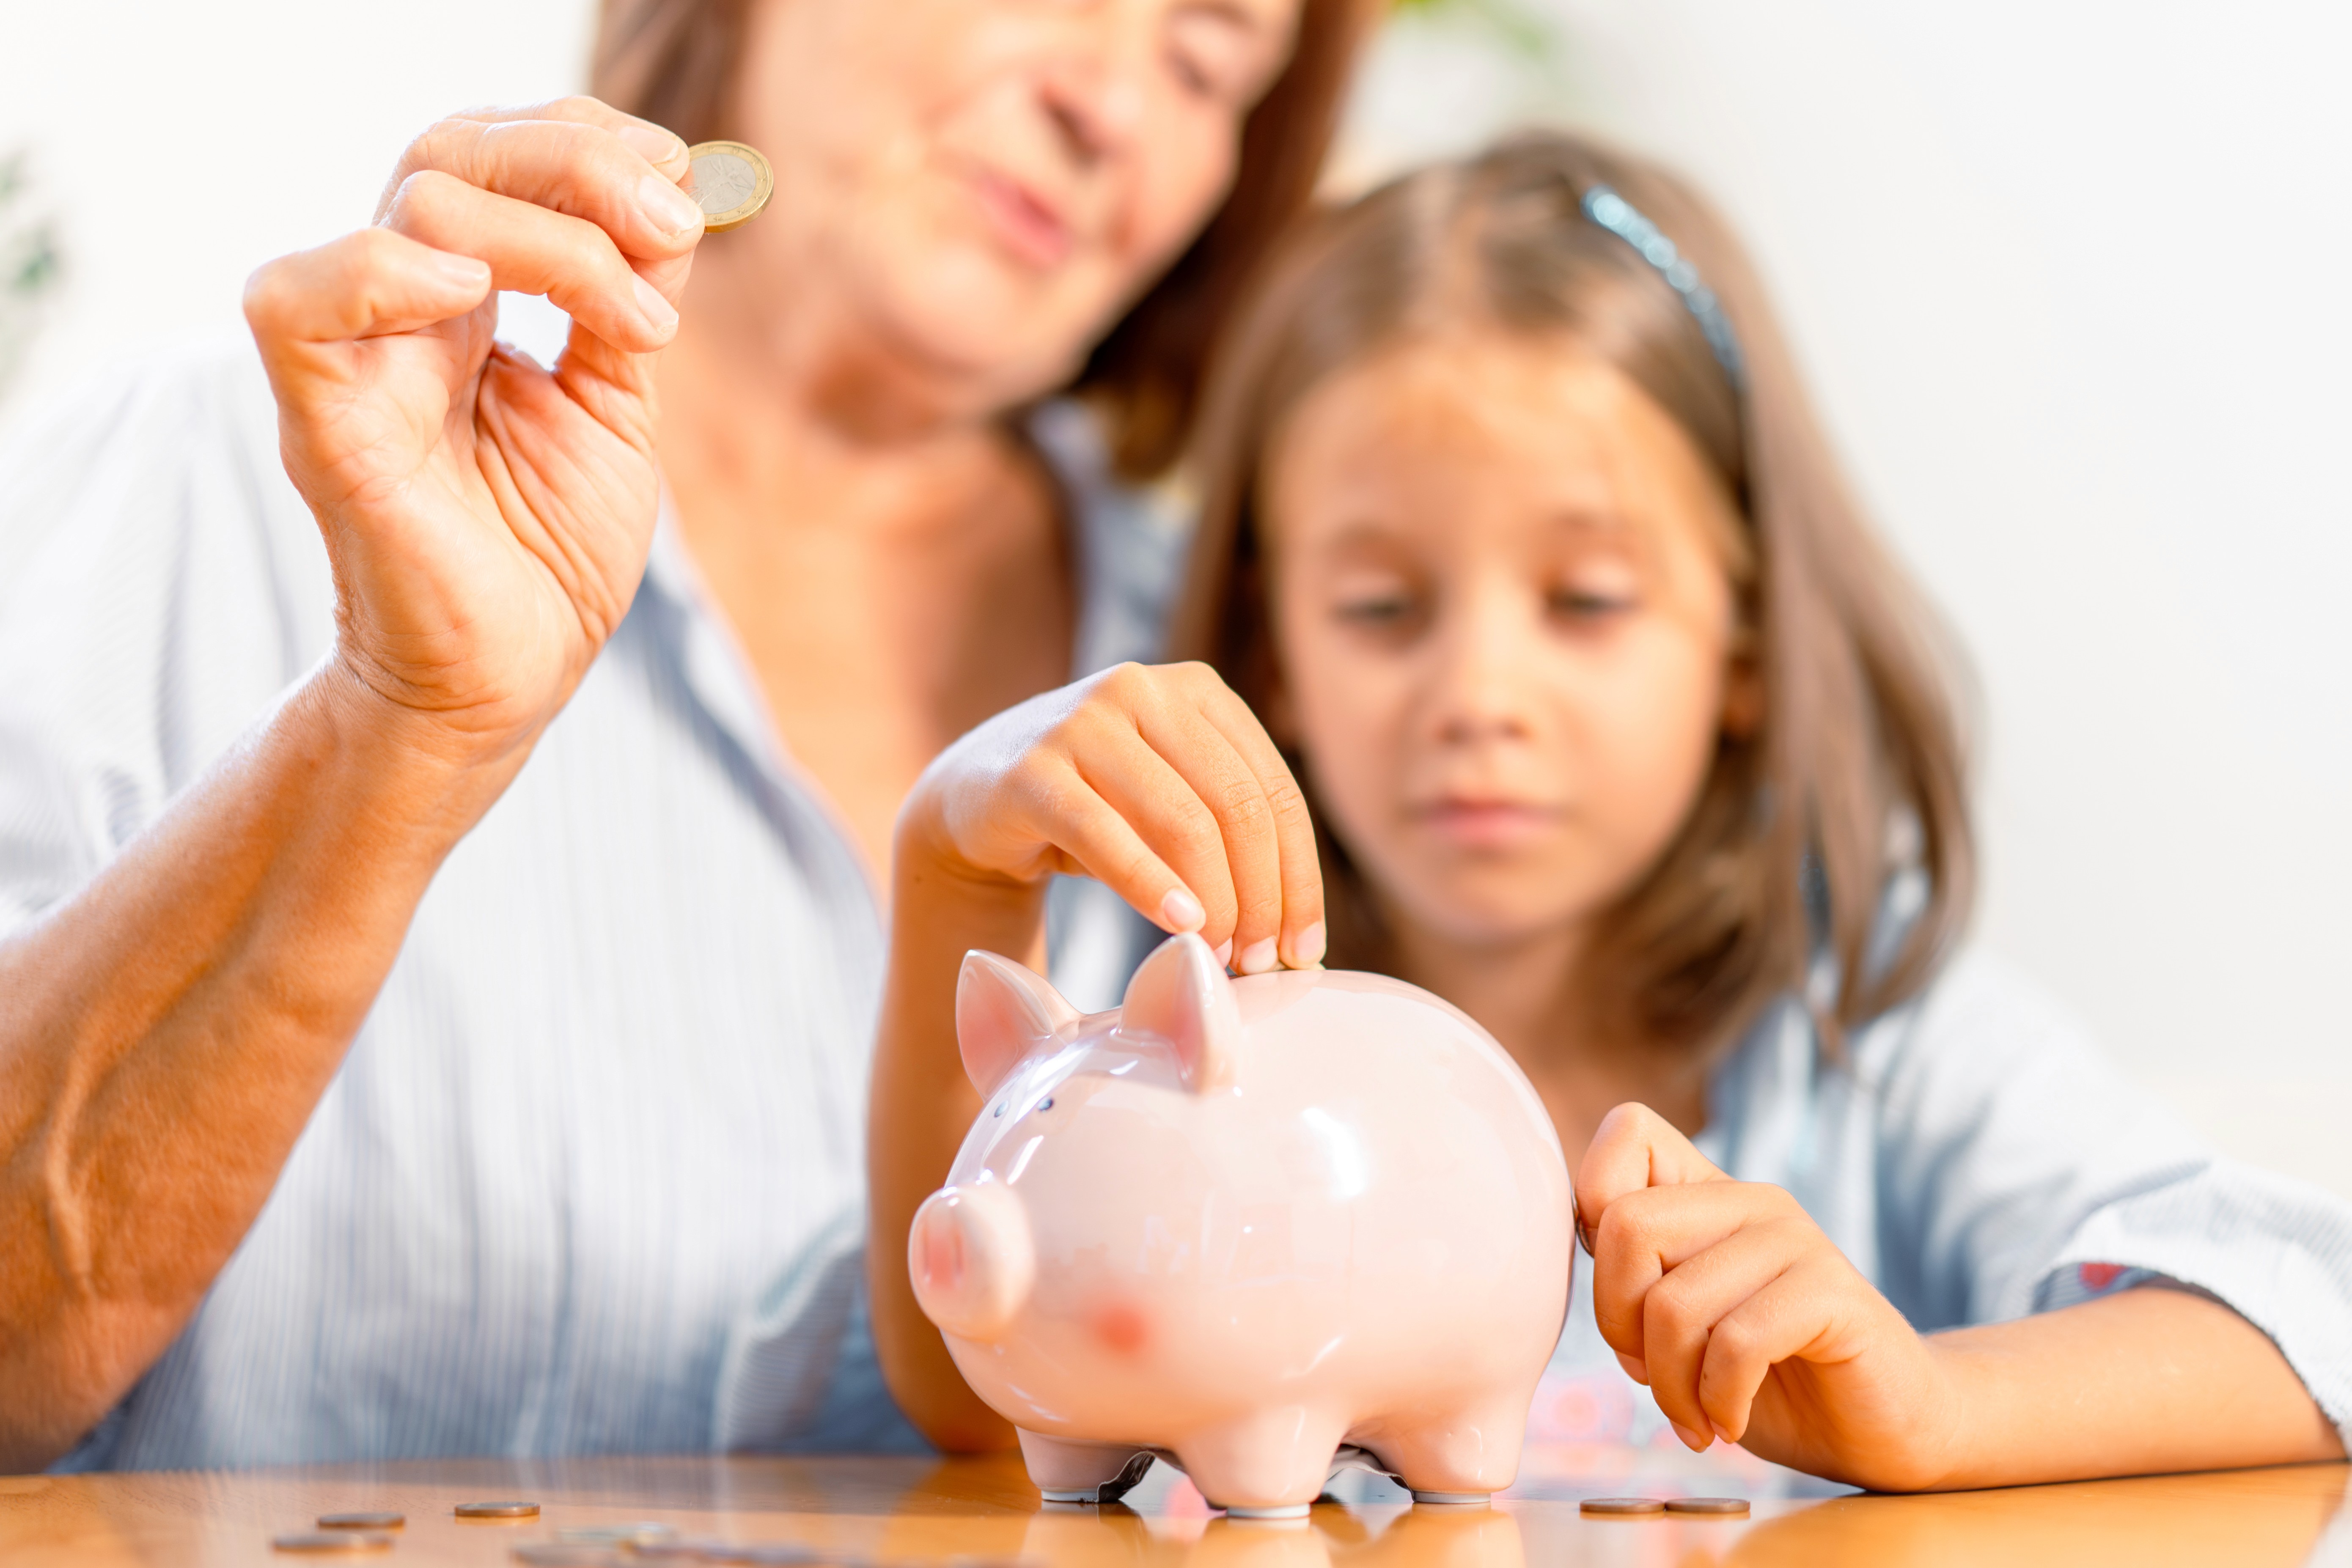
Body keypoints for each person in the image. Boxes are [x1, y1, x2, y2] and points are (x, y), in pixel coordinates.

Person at [0, 0, 1376, 1473]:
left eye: (1205, 60)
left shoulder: (1276, 658)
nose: (1110, 103)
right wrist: (398, 724)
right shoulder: (218, 479)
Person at [866, 131, 2350, 1487]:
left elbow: (2310, 1315)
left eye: (1585, 600)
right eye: (1382, 607)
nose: (1479, 696)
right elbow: (972, 1381)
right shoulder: (1160, 1041)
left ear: (1746, 651)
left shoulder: (1863, 1030)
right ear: (1275, 658)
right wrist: (954, 868)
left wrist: (1930, 1406)